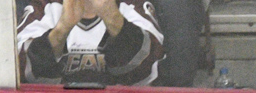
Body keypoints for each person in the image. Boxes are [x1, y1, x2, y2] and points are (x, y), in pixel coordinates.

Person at [16, 0, 164, 86]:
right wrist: (63, 27)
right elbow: (22, 70)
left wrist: (111, 16)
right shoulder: (44, 7)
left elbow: (146, 69)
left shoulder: (134, 6)